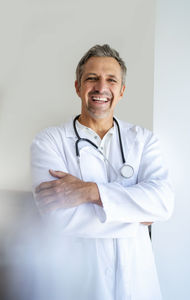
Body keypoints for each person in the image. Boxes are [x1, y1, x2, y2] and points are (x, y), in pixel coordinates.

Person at [31, 44, 174, 300]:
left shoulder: (143, 140)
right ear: (78, 87)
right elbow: (59, 219)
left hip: (137, 285)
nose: (101, 88)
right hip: (79, 285)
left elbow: (163, 203)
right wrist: (138, 211)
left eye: (111, 80)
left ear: (122, 91)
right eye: (92, 79)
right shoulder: (49, 142)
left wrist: (90, 191)